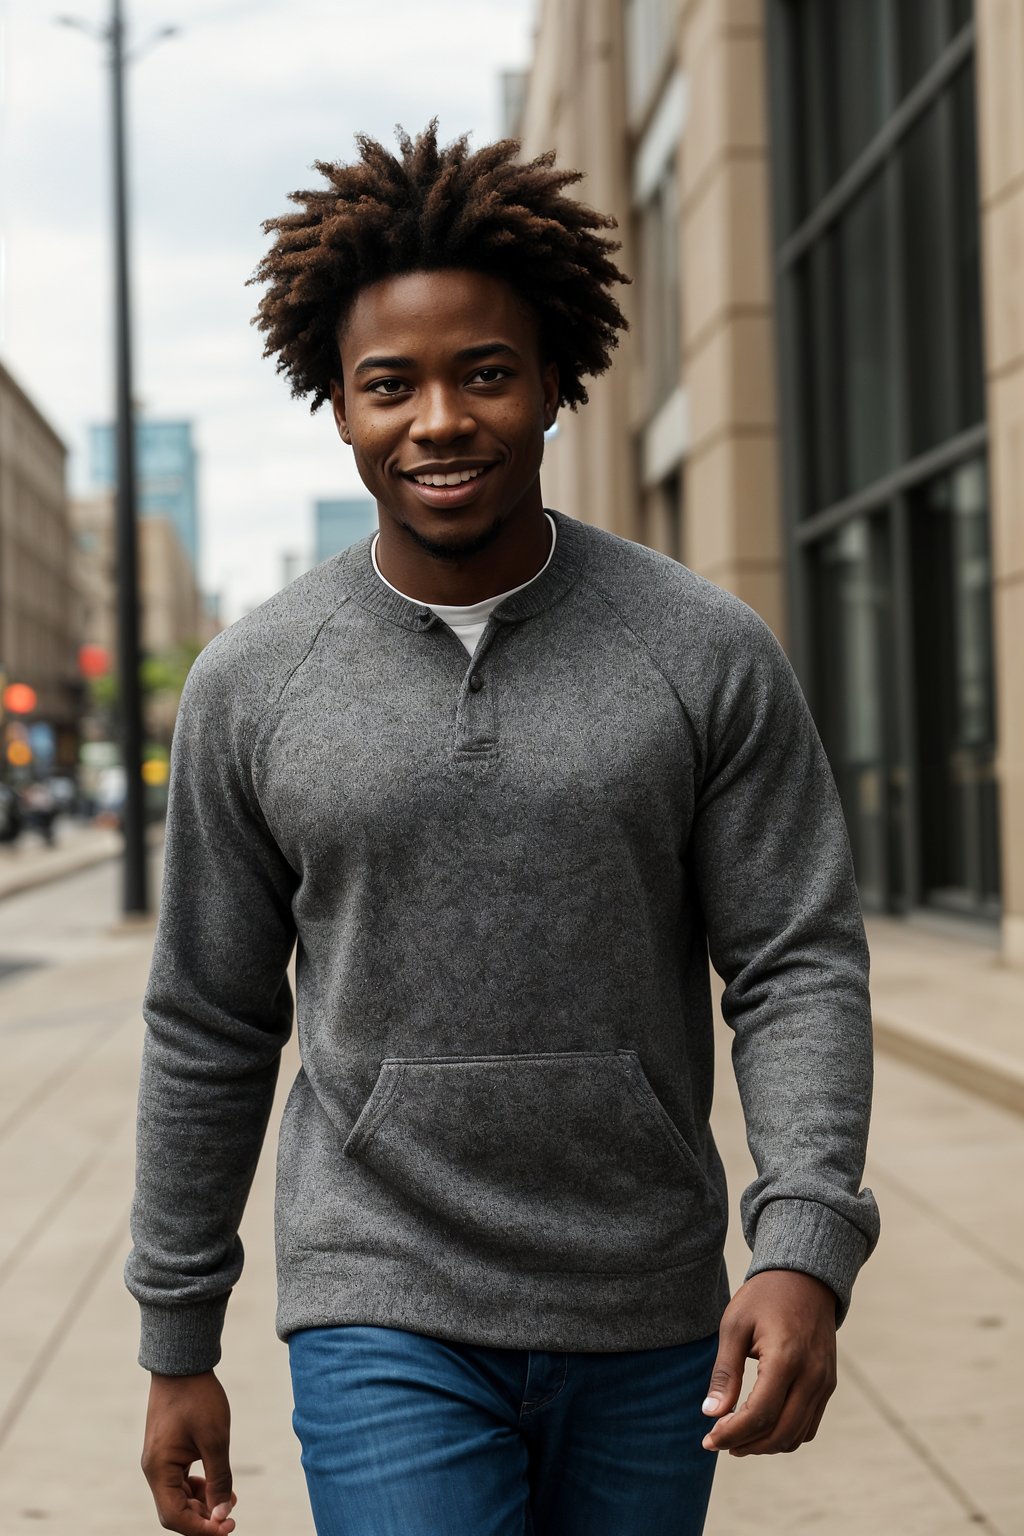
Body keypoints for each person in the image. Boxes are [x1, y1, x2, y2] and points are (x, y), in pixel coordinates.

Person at [126, 121, 880, 1536]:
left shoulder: (701, 649)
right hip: (378, 1292)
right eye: (388, 386)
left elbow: (795, 960)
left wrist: (805, 1240)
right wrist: (179, 1335)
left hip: (648, 1295)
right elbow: (211, 1021)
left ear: (552, 384)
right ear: (336, 407)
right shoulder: (253, 684)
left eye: (484, 374)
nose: (440, 421)